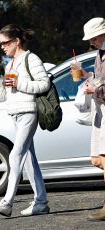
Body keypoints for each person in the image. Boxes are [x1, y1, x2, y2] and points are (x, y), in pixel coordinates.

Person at [0, 24, 50, 217]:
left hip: (28, 112)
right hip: (15, 113)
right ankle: (41, 202)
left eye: (6, 43)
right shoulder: (11, 64)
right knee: (29, 159)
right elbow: (4, 95)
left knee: (15, 155)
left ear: (16, 41)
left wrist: (18, 83)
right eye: (1, 44)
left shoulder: (31, 58)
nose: (3, 47)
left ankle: (7, 202)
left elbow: (44, 83)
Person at [72, 17, 105, 221]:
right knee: (97, 160)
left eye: (93, 38)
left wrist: (98, 88)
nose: (91, 43)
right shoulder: (100, 55)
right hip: (100, 111)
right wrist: (87, 76)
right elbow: (100, 79)